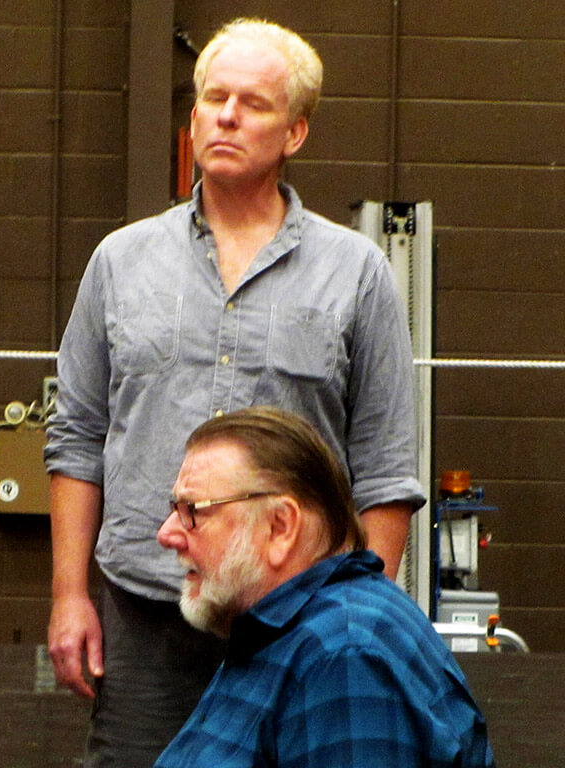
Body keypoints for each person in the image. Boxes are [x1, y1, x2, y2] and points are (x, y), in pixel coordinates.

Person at [44, 17, 426, 768]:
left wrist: (362, 622)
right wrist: (68, 595)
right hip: (146, 616)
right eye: (213, 99)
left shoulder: (356, 273)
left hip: (300, 624)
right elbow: (76, 438)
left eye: (252, 104)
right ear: (192, 119)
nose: (226, 116)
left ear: (294, 133)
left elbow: (385, 467)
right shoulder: (120, 262)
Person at [153, 406, 494, 768]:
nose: (166, 533)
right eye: (175, 508)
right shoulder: (288, 631)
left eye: (193, 511)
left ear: (280, 526)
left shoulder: (344, 658)